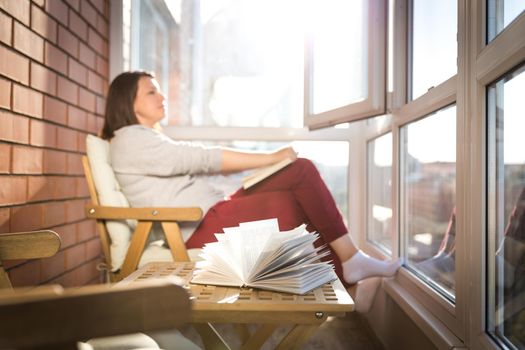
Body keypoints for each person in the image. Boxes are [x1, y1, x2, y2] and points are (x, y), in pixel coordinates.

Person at [102, 71, 402, 286]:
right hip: (195, 224)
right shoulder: (130, 140)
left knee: (301, 171)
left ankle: (349, 263)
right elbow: (204, 159)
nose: (162, 96)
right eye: (151, 91)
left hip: (212, 210)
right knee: (289, 198)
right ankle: (347, 267)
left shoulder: (147, 138)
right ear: (128, 101)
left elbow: (205, 170)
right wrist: (272, 158)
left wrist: (263, 170)